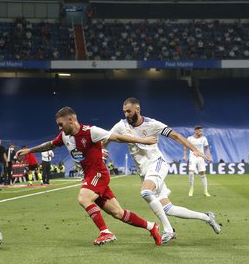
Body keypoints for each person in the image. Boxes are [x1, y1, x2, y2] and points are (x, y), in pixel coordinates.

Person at [16, 106, 163, 246]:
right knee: (118, 213)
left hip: (98, 174)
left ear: (71, 120)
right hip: (89, 177)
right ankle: (151, 226)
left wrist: (144, 140)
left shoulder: (91, 132)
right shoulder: (64, 136)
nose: (59, 128)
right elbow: (51, 145)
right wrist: (30, 151)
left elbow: (118, 137)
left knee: (84, 197)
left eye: (61, 124)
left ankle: (105, 232)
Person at [109, 98, 221, 245]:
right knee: (168, 208)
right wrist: (101, 150)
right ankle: (207, 217)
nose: (126, 114)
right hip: (144, 172)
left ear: (137, 109)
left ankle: (168, 230)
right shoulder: (121, 126)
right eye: (124, 112)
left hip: (157, 164)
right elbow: (106, 139)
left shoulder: (152, 124)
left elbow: (176, 136)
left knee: (145, 192)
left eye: (129, 111)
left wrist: (194, 150)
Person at [184, 126, 212, 197]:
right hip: (192, 157)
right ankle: (191, 189)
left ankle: (206, 191)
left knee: (202, 173)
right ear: (195, 131)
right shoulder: (190, 138)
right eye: (200, 131)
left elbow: (207, 148)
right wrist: (185, 156)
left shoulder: (204, 138)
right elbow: (185, 147)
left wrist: (209, 156)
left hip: (201, 157)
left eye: (202, 131)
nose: (201, 132)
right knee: (191, 172)